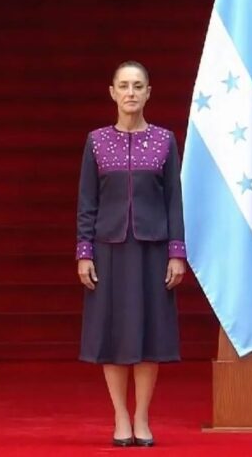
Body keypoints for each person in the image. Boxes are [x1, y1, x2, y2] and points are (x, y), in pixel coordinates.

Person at [76, 60, 186, 447]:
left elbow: (175, 200)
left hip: (153, 252)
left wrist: (177, 253)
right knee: (112, 335)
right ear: (112, 92)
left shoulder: (165, 140)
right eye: (123, 85)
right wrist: (83, 253)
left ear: (148, 93)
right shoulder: (96, 141)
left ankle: (142, 417)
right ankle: (120, 416)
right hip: (108, 251)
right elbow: (87, 202)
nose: (131, 93)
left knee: (149, 335)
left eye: (138, 86)